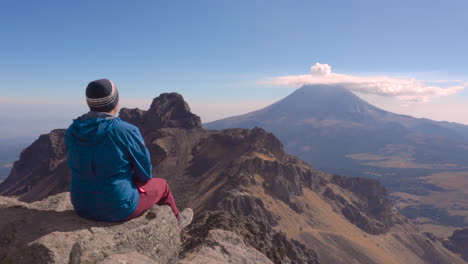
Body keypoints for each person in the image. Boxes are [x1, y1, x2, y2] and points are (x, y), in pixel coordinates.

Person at [65, 79, 192, 227]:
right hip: (117, 208)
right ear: (115, 102)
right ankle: (177, 222)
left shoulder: (73, 130)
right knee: (162, 185)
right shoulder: (125, 131)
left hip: (81, 205)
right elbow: (144, 174)